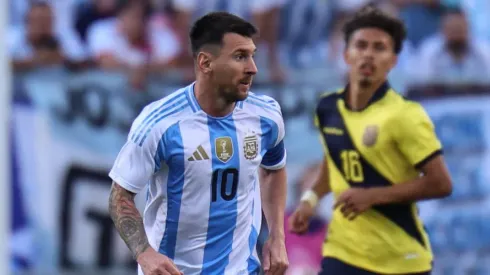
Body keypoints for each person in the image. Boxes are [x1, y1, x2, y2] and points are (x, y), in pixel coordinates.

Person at [108, 11, 289, 275]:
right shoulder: (160, 124)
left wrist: (276, 235)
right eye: (240, 56)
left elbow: (274, 169)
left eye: (252, 55)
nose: (253, 68)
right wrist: (145, 254)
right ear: (205, 63)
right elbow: (119, 196)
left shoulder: (266, 116)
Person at [288, 5, 453, 275]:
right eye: (361, 45)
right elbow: (335, 164)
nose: (368, 55)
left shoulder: (405, 116)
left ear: (393, 60)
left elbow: (441, 183)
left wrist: (374, 196)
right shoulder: (328, 108)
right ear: (346, 55)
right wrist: (309, 199)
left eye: (379, 48)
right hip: (343, 252)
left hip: (398, 258)